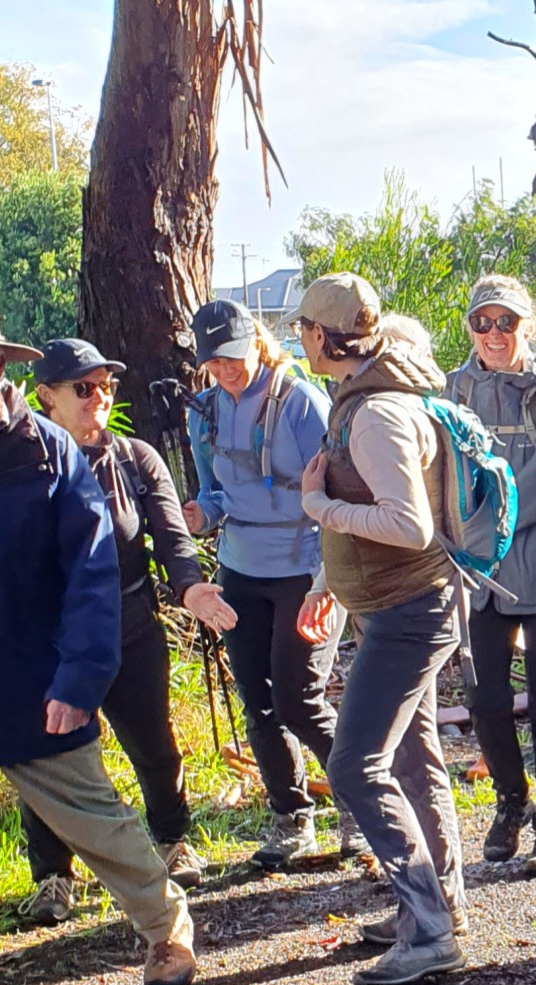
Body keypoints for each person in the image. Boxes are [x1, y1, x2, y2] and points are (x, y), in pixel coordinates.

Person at [0, 286, 198, 985]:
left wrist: (79, 678)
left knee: (92, 820)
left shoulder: (45, 453)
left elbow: (93, 572)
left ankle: (167, 926)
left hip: (34, 679)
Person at [14, 339, 235, 922]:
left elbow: (171, 537)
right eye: (82, 389)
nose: (99, 398)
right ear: (46, 398)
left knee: (154, 745)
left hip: (129, 622)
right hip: (52, 638)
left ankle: (172, 839)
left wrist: (191, 588)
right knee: (50, 754)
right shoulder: (20, 464)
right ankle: (52, 879)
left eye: (105, 386)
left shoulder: (136, 459)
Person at [292, 273, 469, 985]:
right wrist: (327, 584)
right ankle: (438, 907)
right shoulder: (357, 397)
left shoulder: (376, 413)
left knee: (353, 765)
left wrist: (317, 507)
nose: (297, 334)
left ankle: (428, 927)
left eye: (304, 323)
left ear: (326, 336)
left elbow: (407, 523)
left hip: (410, 612)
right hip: (392, 607)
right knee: (411, 758)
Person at [182, 298, 350, 869]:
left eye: (233, 356)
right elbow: (213, 494)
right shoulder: (201, 412)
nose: (226, 370)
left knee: (299, 699)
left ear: (256, 341)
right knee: (258, 702)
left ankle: (361, 803)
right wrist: (199, 516)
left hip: (305, 569)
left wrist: (330, 581)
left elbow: (339, 492)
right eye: (214, 361)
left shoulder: (302, 402)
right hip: (240, 569)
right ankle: (291, 818)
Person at [444, 275, 536, 878]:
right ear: (471, 328)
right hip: (479, 577)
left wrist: (490, 526)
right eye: (483, 323)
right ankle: (511, 800)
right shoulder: (453, 389)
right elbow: (438, 467)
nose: (494, 334)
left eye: (506, 322)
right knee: (486, 700)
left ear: (526, 324)